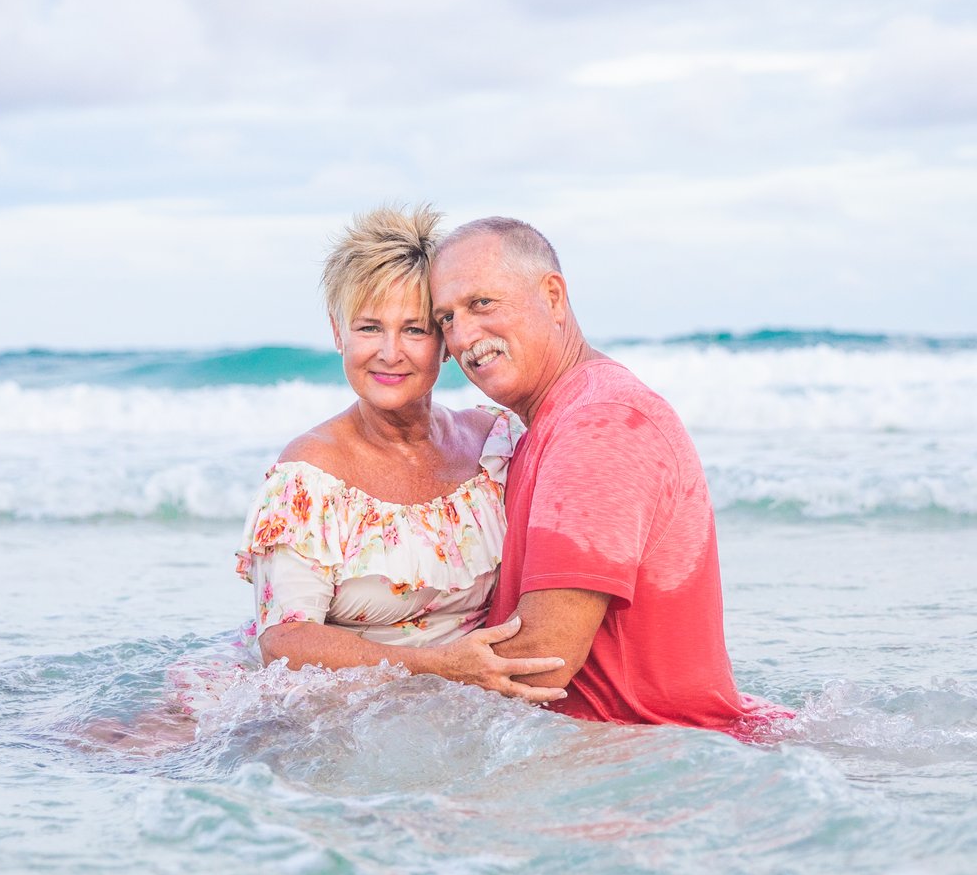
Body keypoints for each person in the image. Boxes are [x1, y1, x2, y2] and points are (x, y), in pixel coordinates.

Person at [429, 216, 775, 733]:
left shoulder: (601, 424)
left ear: (552, 296)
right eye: (445, 319)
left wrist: (351, 683)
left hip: (654, 765)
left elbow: (539, 661)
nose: (463, 336)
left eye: (481, 304)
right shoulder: (552, 424)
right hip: (630, 753)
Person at [235, 205, 566, 702]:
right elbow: (286, 642)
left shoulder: (496, 446)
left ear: (446, 341)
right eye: (369, 328)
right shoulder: (309, 477)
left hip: (455, 702)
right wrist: (440, 668)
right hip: (333, 706)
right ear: (337, 332)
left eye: (415, 329)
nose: (390, 352)